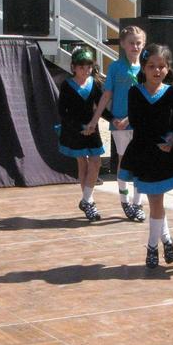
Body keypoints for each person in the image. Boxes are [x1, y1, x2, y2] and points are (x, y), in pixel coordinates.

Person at [118, 43, 173, 268]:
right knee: (156, 202)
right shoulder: (135, 91)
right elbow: (138, 121)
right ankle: (164, 241)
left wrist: (172, 139)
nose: (157, 70)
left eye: (162, 66)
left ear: (168, 68)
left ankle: (154, 246)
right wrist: (157, 140)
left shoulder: (171, 93)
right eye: (152, 66)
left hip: (164, 154)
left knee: (156, 201)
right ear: (143, 68)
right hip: (143, 153)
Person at [87, 26, 147, 222]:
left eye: (139, 43)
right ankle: (125, 200)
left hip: (139, 123)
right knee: (124, 161)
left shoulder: (147, 67)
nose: (135, 46)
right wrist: (96, 119)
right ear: (122, 44)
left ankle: (138, 203)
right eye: (131, 43)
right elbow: (107, 95)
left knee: (140, 163)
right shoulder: (116, 67)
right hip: (120, 123)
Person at [58, 47, 112, 221]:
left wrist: (113, 119)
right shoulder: (67, 85)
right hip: (76, 130)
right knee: (82, 163)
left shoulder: (95, 84)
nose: (85, 70)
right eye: (81, 66)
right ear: (73, 67)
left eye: (89, 66)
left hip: (91, 128)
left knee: (95, 162)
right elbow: (62, 111)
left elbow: (101, 106)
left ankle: (86, 200)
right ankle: (90, 203)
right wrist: (78, 126)